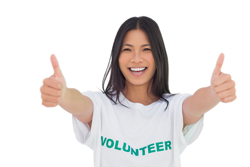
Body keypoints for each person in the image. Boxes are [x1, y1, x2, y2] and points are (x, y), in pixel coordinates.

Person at [40, 16, 237, 167]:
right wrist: (63, 95)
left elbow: (195, 105)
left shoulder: (173, 108)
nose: (136, 58)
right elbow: (81, 104)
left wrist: (214, 92)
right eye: (127, 50)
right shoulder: (102, 106)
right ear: (117, 56)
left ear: (158, 55)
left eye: (146, 49)